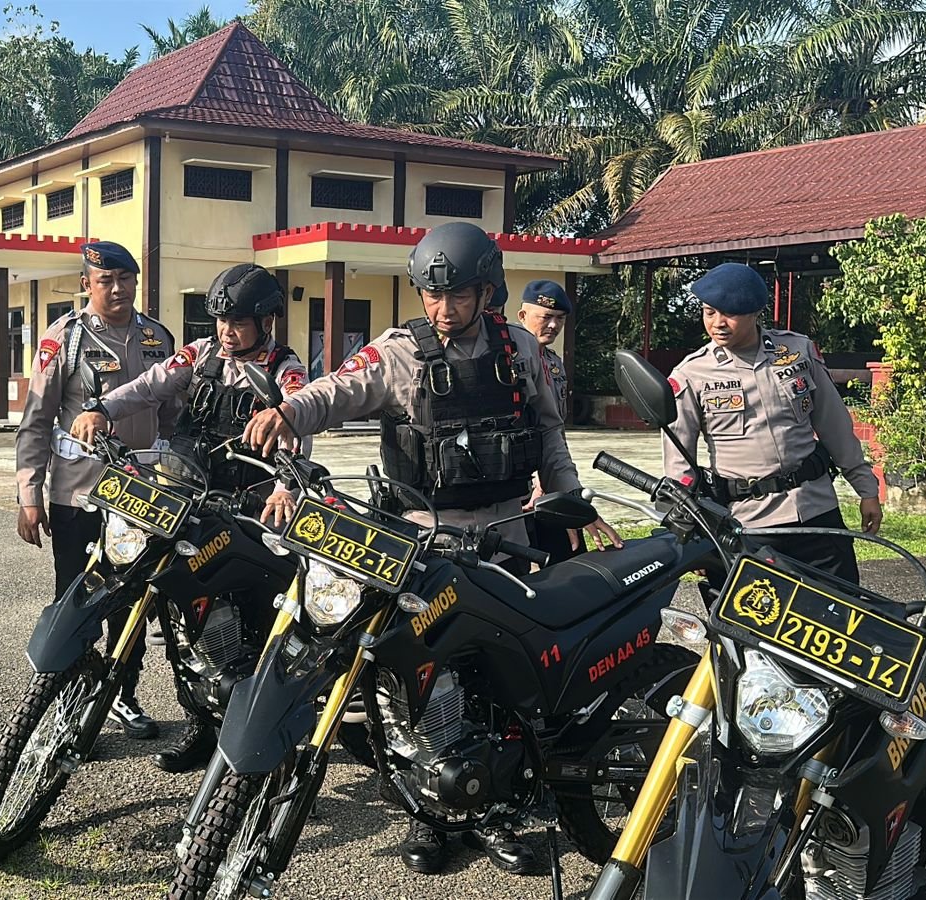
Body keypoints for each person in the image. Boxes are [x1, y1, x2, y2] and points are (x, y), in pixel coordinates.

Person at [243, 222, 621, 877]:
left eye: (458, 295)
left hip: (506, 535)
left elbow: (549, 435)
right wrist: (290, 411)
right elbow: (335, 391)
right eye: (432, 295)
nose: (444, 308)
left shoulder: (520, 350)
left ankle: (497, 807)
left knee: (502, 680)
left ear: (487, 291)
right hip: (421, 539)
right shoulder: (398, 352)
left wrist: (569, 502)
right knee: (415, 678)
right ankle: (427, 811)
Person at [70, 263, 309, 772]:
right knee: (183, 618)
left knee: (248, 623)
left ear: (266, 321)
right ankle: (202, 726)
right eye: (221, 320)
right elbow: (148, 385)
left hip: (247, 514)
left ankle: (265, 742)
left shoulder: (285, 369)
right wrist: (102, 409)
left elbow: (297, 426)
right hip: (188, 502)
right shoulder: (200, 355)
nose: (227, 331)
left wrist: (286, 487)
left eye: (239, 322)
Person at [14, 240, 177, 741]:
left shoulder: (158, 338)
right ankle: (70, 701)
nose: (118, 288)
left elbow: (174, 417)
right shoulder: (65, 338)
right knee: (77, 601)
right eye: (106, 280)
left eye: (126, 279)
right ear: (87, 284)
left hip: (141, 497)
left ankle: (122, 694)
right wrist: (29, 494)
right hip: (79, 495)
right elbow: (35, 422)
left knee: (132, 603)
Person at [664, 262, 881, 584]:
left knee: (844, 606)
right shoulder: (691, 374)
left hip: (815, 512)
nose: (718, 323)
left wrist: (866, 489)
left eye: (730, 314)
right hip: (747, 524)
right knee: (754, 615)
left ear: (755, 313)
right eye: (709, 312)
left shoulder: (796, 351)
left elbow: (834, 425)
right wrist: (691, 531)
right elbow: (678, 462)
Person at [518, 279, 586, 563]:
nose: (554, 325)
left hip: (551, 478)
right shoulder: (507, 359)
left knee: (571, 560)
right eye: (546, 317)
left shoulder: (554, 363)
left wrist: (561, 480)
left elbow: (553, 428)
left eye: (560, 319)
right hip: (519, 486)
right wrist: (537, 480)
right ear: (523, 316)